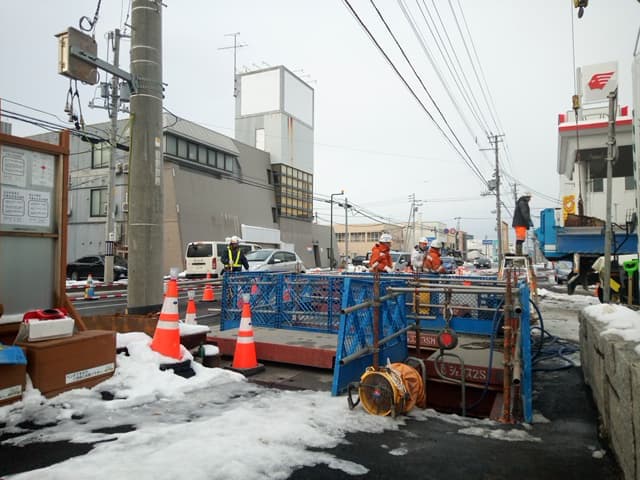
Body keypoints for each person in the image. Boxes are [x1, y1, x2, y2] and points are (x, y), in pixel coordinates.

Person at [512, 192, 533, 256]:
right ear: (527, 197)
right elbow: (525, 213)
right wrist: (528, 221)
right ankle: (518, 253)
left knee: (521, 239)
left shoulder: (521, 202)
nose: (530, 199)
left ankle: (519, 253)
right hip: (520, 223)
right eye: (529, 198)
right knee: (520, 239)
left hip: (520, 223)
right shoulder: (523, 203)